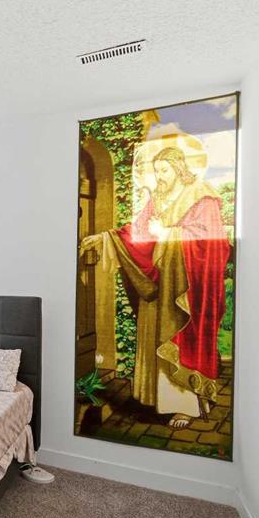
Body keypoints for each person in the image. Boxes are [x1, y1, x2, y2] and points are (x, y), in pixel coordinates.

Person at [80, 146, 229, 428]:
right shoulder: (158, 197)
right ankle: (160, 401)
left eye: (164, 170)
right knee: (155, 340)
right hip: (159, 287)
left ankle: (186, 406)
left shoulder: (202, 196)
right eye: (156, 170)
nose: (159, 176)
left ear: (179, 169)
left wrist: (169, 233)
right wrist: (104, 238)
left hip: (185, 290)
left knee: (181, 340)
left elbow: (212, 243)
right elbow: (136, 231)